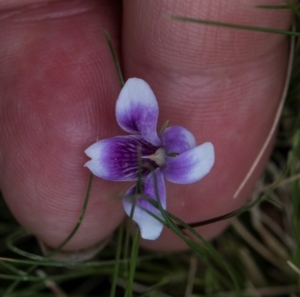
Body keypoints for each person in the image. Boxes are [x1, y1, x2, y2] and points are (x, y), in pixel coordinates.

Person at [0, 0, 293, 260]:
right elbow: (128, 135)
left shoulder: (157, 145)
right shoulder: (143, 128)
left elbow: (177, 141)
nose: (151, 158)